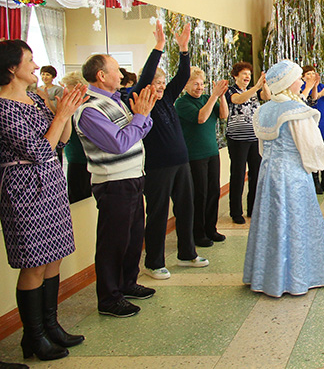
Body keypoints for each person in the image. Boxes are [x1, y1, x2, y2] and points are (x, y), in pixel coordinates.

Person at [0, 40, 87, 361]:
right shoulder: (3, 108)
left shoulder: (35, 99)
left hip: (51, 182)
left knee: (54, 258)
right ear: (12, 68)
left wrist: (66, 114)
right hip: (24, 188)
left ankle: (52, 326)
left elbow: (61, 140)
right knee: (34, 263)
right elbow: (39, 150)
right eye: (30, 60)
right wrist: (60, 115)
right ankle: (33, 336)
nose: (36, 66)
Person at [75, 37, 159, 318]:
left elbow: (140, 130)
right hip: (113, 182)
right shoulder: (89, 109)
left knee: (133, 237)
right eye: (116, 70)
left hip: (133, 176)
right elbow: (119, 143)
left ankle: (127, 283)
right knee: (113, 242)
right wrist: (140, 118)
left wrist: (141, 117)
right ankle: (109, 299)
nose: (122, 75)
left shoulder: (115, 101)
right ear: (101, 75)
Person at [243, 60, 324, 297]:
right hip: (293, 175)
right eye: (298, 78)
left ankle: (266, 275)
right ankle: (297, 276)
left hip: (268, 173)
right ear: (287, 82)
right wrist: (316, 165)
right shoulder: (296, 111)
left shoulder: (264, 110)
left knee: (271, 221)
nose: (301, 81)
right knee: (294, 220)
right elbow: (311, 146)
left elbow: (262, 147)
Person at [134, 23, 209, 280]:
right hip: (157, 166)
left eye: (163, 82)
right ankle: (154, 262)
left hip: (181, 162)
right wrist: (159, 47)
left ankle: (187, 253)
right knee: (157, 214)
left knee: (186, 209)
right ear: (147, 84)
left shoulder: (167, 98)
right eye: (157, 83)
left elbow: (182, 75)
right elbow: (146, 76)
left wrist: (184, 49)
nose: (161, 86)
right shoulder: (139, 99)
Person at [176, 67, 229, 246]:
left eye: (201, 84)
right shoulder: (182, 103)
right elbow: (201, 118)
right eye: (195, 84)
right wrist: (214, 96)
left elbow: (223, 115)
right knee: (200, 194)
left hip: (212, 152)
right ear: (186, 85)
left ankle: (210, 229)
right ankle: (198, 233)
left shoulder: (207, 98)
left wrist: (221, 96)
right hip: (195, 155)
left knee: (213, 192)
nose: (199, 87)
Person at [226, 61, 269, 224]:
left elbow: (267, 96)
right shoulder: (231, 90)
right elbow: (238, 100)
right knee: (238, 175)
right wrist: (256, 87)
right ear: (235, 76)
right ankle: (236, 212)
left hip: (255, 139)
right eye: (244, 74)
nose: (247, 77)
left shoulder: (254, 91)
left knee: (256, 174)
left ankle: (253, 209)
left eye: (249, 74)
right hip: (237, 139)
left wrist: (264, 84)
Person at [300, 65, 324, 194]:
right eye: (308, 74)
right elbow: (312, 99)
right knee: (313, 152)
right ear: (303, 77)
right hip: (311, 125)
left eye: (313, 73)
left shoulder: (321, 86)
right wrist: (318, 91)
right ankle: (315, 182)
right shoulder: (302, 88)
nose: (311, 76)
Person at [60, 71, 92, 203]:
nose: (65, 90)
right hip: (79, 155)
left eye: (67, 86)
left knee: (79, 197)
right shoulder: (81, 102)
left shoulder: (80, 104)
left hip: (79, 156)